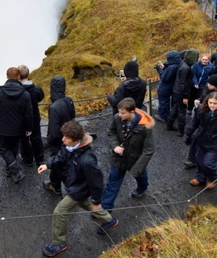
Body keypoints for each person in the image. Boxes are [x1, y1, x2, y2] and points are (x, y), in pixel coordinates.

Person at [39, 121, 118, 257]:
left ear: (76, 140)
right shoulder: (69, 146)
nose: (63, 139)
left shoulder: (88, 160)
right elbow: (61, 156)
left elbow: (97, 182)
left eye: (66, 137)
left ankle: (59, 244)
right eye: (63, 136)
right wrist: (48, 164)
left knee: (59, 212)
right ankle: (109, 220)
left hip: (78, 190)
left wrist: (97, 200)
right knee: (86, 205)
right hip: (73, 185)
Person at [101, 98, 155, 211]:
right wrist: (115, 146)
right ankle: (105, 211)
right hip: (118, 159)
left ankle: (142, 188)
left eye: (122, 113)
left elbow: (148, 150)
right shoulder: (117, 118)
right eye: (119, 112)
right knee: (112, 185)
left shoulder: (145, 128)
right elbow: (111, 132)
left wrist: (137, 169)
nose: (119, 115)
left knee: (141, 176)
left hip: (135, 160)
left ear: (132, 112)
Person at [0, 67, 33, 183]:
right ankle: (11, 170)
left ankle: (15, 169)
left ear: (7, 77)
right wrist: (29, 128)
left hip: (2, 127)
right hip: (18, 128)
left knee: (3, 149)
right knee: (14, 148)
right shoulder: (25, 94)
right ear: (19, 77)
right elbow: (29, 114)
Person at [183, 74, 217, 168]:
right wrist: (199, 100)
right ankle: (192, 159)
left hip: (214, 125)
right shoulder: (208, 89)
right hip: (203, 119)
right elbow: (203, 97)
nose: (208, 85)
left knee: (207, 145)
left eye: (210, 84)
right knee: (195, 138)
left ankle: (203, 163)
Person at [166, 49, 199, 137]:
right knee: (182, 111)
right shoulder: (186, 68)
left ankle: (169, 125)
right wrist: (185, 96)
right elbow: (183, 83)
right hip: (181, 92)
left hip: (176, 90)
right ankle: (181, 131)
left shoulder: (182, 63)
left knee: (175, 107)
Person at [18, 64, 46, 167]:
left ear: (18, 76)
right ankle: (39, 158)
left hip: (22, 119)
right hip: (34, 116)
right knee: (36, 137)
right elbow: (41, 97)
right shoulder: (36, 89)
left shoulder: (17, 91)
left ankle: (28, 160)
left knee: (24, 139)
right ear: (28, 75)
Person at [46, 76, 76, 155]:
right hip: (69, 139)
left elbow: (54, 133)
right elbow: (73, 117)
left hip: (58, 144)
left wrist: (48, 141)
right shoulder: (69, 100)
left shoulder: (54, 108)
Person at [155, 50, 181, 123]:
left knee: (163, 101)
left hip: (165, 87)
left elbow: (164, 78)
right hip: (171, 86)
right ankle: (167, 114)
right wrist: (165, 67)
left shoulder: (171, 67)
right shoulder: (178, 64)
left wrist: (159, 69)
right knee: (166, 102)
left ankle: (162, 116)